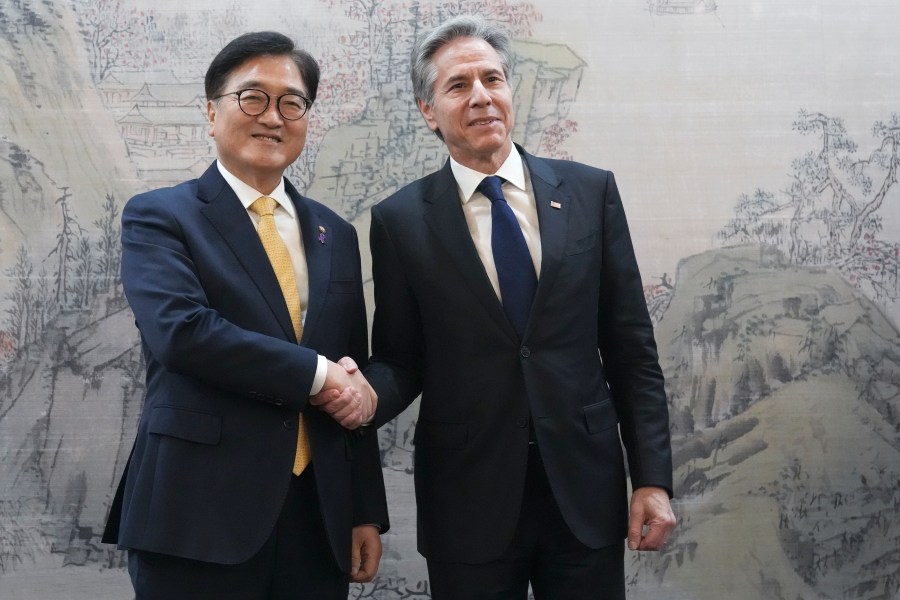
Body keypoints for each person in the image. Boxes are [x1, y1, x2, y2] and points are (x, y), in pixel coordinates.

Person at [364, 16, 675, 599]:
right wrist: (364, 395)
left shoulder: (591, 193)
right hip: (467, 499)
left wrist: (652, 480)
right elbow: (403, 359)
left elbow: (633, 352)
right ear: (429, 110)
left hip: (584, 493)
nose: (482, 96)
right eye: (459, 85)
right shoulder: (400, 221)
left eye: (493, 79)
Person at [102, 31, 388, 599]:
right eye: (252, 98)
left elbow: (352, 370)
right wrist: (318, 374)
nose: (273, 117)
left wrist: (364, 509)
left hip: (318, 517)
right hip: (198, 514)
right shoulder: (160, 217)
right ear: (211, 112)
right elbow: (183, 334)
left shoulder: (337, 233)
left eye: (292, 102)